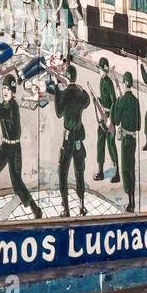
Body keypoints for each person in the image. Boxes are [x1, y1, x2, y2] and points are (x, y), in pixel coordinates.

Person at [0, 74, 43, 221]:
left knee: (17, 183)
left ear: (13, 92)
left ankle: (35, 209)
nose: (5, 91)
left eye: (8, 89)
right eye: (4, 88)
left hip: (14, 149)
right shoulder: (6, 105)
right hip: (6, 146)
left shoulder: (11, 107)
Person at [52, 63, 90, 217]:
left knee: (63, 173)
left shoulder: (65, 93)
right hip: (79, 141)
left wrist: (56, 89)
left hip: (68, 140)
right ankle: (81, 206)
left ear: (66, 78)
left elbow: (59, 113)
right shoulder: (80, 95)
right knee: (79, 173)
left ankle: (66, 209)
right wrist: (81, 88)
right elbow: (87, 101)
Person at [111, 71, 141, 213]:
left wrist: (117, 102)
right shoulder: (135, 101)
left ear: (124, 84)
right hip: (134, 139)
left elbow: (116, 120)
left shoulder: (122, 100)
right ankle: (133, 199)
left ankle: (130, 203)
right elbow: (139, 125)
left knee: (125, 169)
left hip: (126, 140)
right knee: (132, 168)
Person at [94, 57, 120, 182]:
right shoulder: (101, 80)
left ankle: (117, 173)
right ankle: (100, 171)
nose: (99, 71)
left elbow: (114, 101)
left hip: (109, 117)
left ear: (104, 70)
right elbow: (104, 99)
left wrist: (111, 119)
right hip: (102, 115)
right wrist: (97, 100)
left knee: (111, 145)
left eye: (100, 69)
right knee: (100, 143)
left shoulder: (109, 82)